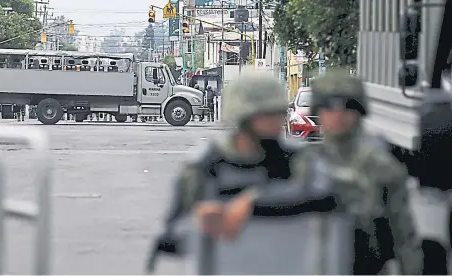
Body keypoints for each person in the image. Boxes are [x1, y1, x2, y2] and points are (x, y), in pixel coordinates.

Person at [221, 71, 424, 275]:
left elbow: (402, 233)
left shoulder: (381, 165)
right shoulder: (302, 159)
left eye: (348, 107)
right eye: (328, 107)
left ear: (359, 111)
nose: (338, 115)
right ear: (318, 111)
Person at [146, 72, 337, 273]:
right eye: (267, 114)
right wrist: (200, 224)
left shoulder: (297, 159)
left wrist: (254, 204)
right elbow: (170, 237)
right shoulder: (207, 165)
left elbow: (330, 197)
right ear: (244, 117)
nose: (277, 121)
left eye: (279, 113)